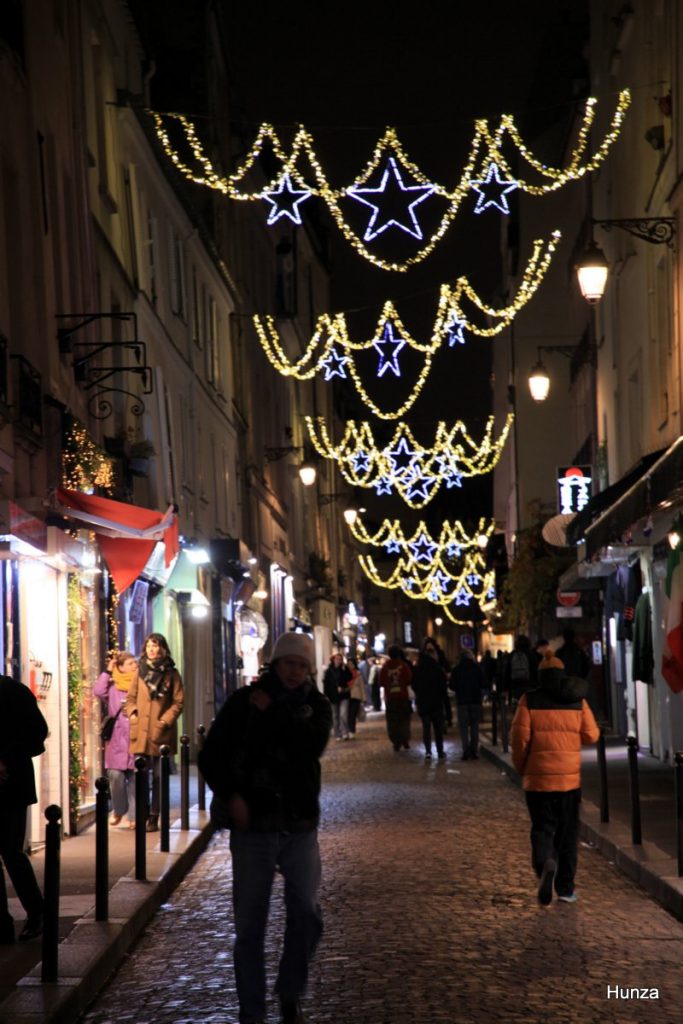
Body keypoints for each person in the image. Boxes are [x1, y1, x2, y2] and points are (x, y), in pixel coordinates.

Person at [198, 631, 332, 1024]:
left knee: (307, 913)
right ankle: (251, 1012)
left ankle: (289, 992)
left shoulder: (315, 705)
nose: (294, 671)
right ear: (276, 663)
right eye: (289, 663)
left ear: (309, 670)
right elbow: (212, 756)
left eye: (301, 665)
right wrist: (232, 794)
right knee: (250, 927)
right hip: (253, 827)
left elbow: (308, 746)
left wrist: (272, 709)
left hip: (299, 825)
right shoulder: (243, 703)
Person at [510, 649, 600, 906]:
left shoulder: (529, 700)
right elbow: (592, 735)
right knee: (568, 833)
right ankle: (566, 888)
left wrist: (521, 767)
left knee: (542, 828)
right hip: (569, 781)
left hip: (538, 780)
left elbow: (519, 740)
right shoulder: (577, 700)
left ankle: (545, 863)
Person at [0, 673, 48, 943]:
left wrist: (6, 760)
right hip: (13, 783)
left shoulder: (12, 691)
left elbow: (37, 732)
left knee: (11, 852)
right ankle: (2, 924)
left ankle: (37, 913)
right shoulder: (13, 690)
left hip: (12, 786)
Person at [125, 633, 184, 832]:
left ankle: (154, 816)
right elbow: (130, 698)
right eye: (149, 645)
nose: (151, 649)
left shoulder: (172, 674)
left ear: (163, 648)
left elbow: (178, 702)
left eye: (155, 645)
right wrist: (133, 714)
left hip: (161, 733)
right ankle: (143, 811)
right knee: (140, 776)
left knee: (159, 778)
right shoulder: (139, 673)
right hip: (140, 731)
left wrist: (164, 721)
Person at [94, 651, 137, 828]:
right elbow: (98, 690)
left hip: (135, 737)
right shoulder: (112, 686)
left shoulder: (140, 684)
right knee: (115, 776)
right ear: (120, 667)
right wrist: (108, 671)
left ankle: (133, 817)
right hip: (117, 739)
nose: (134, 665)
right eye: (130, 663)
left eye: (135, 663)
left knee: (135, 780)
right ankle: (119, 810)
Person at [411, 638, 448, 761]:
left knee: (426, 729)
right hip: (436, 702)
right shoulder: (437, 668)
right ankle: (440, 751)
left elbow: (414, 684)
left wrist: (420, 694)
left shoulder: (419, 668)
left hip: (424, 702)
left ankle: (428, 751)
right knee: (438, 729)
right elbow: (443, 685)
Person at [448, 650, 486, 760]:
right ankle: (474, 751)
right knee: (475, 726)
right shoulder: (477, 668)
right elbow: (484, 683)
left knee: (463, 727)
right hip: (475, 701)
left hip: (462, 701)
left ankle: (466, 750)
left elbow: (451, 686)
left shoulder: (457, 669)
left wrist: (459, 689)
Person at [379, 644, 413, 751]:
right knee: (404, 719)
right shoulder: (403, 665)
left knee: (392, 720)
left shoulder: (385, 667)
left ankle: (396, 741)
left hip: (390, 698)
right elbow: (409, 679)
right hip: (403, 697)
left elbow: (381, 682)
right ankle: (405, 739)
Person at [322, 652, 351, 741]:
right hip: (333, 696)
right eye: (337, 659)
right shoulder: (328, 671)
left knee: (343, 714)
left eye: (340, 659)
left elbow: (349, 677)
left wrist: (345, 669)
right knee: (335, 716)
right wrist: (326, 696)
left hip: (344, 695)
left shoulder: (344, 668)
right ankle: (337, 734)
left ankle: (345, 732)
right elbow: (326, 684)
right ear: (333, 660)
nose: (338, 661)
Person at [504, 634, 535, 704]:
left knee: (517, 704)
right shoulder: (530, 654)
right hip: (528, 684)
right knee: (528, 704)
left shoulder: (512, 654)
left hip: (515, 685)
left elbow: (507, 671)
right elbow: (534, 669)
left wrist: (505, 687)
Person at [346, 657, 365, 737]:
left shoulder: (358, 674)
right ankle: (348, 730)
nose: (350, 666)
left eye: (352, 664)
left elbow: (362, 686)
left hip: (356, 696)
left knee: (352, 714)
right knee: (346, 714)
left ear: (354, 665)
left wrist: (364, 698)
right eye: (349, 664)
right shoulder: (345, 674)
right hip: (347, 696)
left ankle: (352, 731)